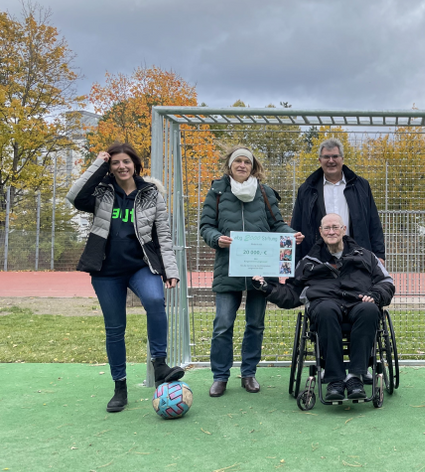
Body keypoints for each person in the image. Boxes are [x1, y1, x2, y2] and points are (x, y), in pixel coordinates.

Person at [67, 143, 184, 413]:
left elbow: (163, 236)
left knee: (156, 300)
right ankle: (120, 388)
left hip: (140, 266)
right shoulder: (100, 191)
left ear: (135, 164)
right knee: (115, 329)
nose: (121, 166)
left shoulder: (151, 193)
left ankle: (160, 365)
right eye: (115, 163)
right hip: (106, 271)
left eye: (126, 162)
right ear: (109, 167)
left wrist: (171, 271)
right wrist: (97, 163)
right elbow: (74, 196)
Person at [255, 214, 394, 401]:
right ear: (320, 232)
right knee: (325, 309)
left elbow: (386, 282)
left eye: (335, 227)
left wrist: (376, 295)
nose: (331, 232)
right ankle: (335, 379)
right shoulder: (307, 262)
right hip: (325, 307)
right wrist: (266, 287)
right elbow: (292, 294)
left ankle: (356, 376)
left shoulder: (366, 256)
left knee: (369, 310)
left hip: (358, 304)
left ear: (344, 230)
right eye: (327, 228)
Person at [200, 146, 304, 398]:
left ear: (253, 166)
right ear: (230, 165)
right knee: (223, 324)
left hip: (261, 270)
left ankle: (249, 374)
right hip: (228, 269)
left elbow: (276, 224)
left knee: (255, 324)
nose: (242, 165)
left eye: (247, 161)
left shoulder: (265, 193)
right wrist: (217, 238)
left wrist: (291, 235)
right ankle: (220, 376)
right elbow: (205, 226)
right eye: (238, 161)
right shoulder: (217, 192)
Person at [291, 138, 385, 264]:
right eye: (326, 157)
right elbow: (296, 226)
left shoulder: (361, 186)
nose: (331, 161)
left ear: (342, 159)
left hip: (356, 255)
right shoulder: (307, 189)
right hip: (318, 258)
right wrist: (294, 261)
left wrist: (379, 255)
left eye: (335, 156)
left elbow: (374, 223)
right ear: (320, 160)